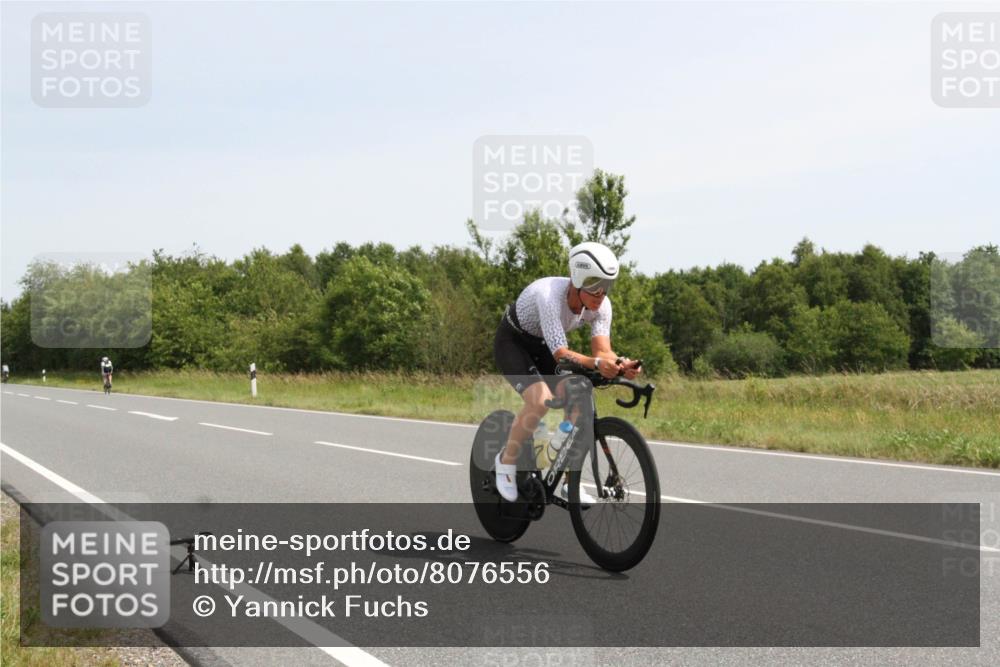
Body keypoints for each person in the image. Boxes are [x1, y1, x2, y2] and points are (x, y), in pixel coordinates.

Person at [493, 241, 642, 503]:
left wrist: (619, 362)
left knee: (577, 398)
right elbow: (561, 354)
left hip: (545, 346)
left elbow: (602, 350)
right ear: (577, 279)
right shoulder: (549, 296)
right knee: (538, 401)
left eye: (607, 285)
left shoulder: (601, 305)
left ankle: (568, 481)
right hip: (514, 343)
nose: (601, 293)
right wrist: (596, 364)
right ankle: (505, 462)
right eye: (595, 285)